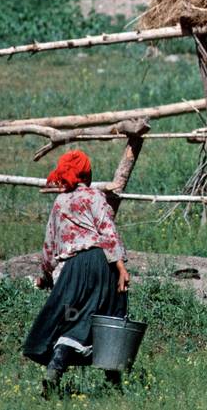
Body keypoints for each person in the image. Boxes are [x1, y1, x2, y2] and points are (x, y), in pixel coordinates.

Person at [22, 149, 131, 397]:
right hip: (101, 265)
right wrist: (121, 266)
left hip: (72, 270)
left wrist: (46, 276)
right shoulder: (94, 196)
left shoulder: (60, 203)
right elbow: (108, 230)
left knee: (73, 319)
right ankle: (112, 381)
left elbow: (49, 245)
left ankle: (57, 366)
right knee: (108, 317)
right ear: (86, 172)